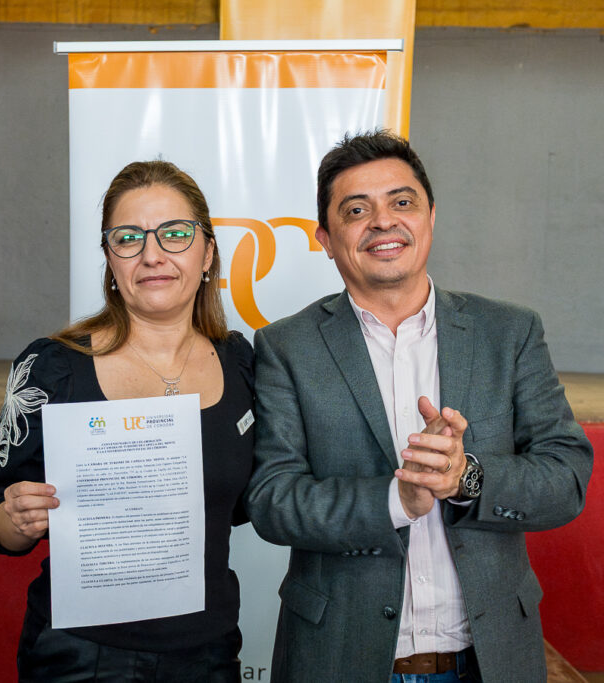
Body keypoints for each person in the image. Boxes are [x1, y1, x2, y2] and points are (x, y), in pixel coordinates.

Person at [244, 130, 593, 682]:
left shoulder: (509, 332)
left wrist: (466, 477)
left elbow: (566, 478)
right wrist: (396, 499)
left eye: (402, 202)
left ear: (431, 217)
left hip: (489, 659)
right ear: (325, 239)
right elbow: (272, 500)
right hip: (341, 658)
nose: (383, 221)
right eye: (356, 209)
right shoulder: (287, 347)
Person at [0, 160, 255, 682]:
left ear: (208, 252)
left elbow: (243, 505)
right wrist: (14, 519)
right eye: (128, 238)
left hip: (207, 652)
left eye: (175, 234)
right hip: (79, 655)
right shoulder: (52, 367)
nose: (152, 254)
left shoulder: (241, 364)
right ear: (109, 259)